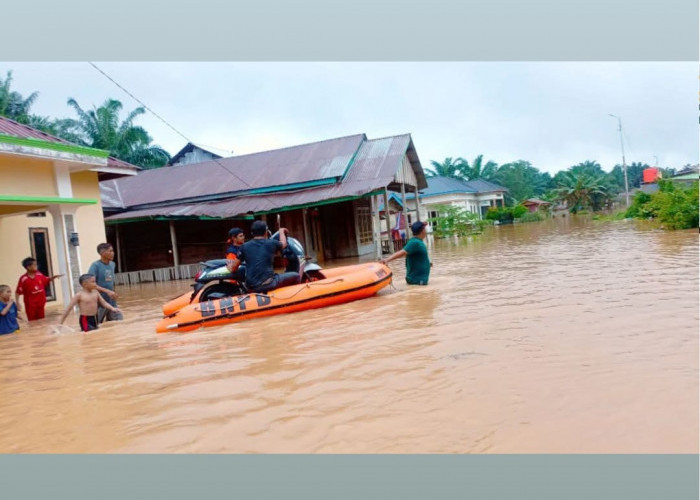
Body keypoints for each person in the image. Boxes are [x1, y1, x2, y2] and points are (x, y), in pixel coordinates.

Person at [230, 220, 300, 293]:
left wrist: (230, 267)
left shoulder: (244, 246)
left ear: (252, 233)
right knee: (296, 276)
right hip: (268, 283)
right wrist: (281, 231)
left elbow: (234, 268)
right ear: (266, 232)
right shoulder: (271, 243)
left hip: (251, 286)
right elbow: (284, 244)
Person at [380, 220, 432, 285]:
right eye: (425, 229)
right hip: (417, 281)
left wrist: (427, 263)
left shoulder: (418, 242)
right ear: (423, 231)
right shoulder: (415, 242)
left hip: (419, 280)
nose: (426, 231)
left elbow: (416, 256)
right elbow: (402, 252)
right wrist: (387, 260)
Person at [87, 243, 124, 323]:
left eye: (113, 251)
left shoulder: (112, 264)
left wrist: (113, 292)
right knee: (97, 324)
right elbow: (90, 284)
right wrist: (107, 291)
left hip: (111, 301)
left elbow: (110, 281)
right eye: (110, 251)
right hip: (99, 301)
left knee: (119, 321)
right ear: (102, 253)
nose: (113, 253)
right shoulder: (95, 266)